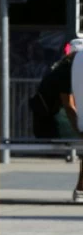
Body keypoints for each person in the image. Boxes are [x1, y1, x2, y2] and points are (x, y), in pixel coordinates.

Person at [28, 40, 83, 202]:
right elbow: (68, 105)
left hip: (52, 119)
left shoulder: (65, 68)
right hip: (52, 124)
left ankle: (80, 189)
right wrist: (79, 130)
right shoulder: (66, 72)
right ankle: (80, 189)